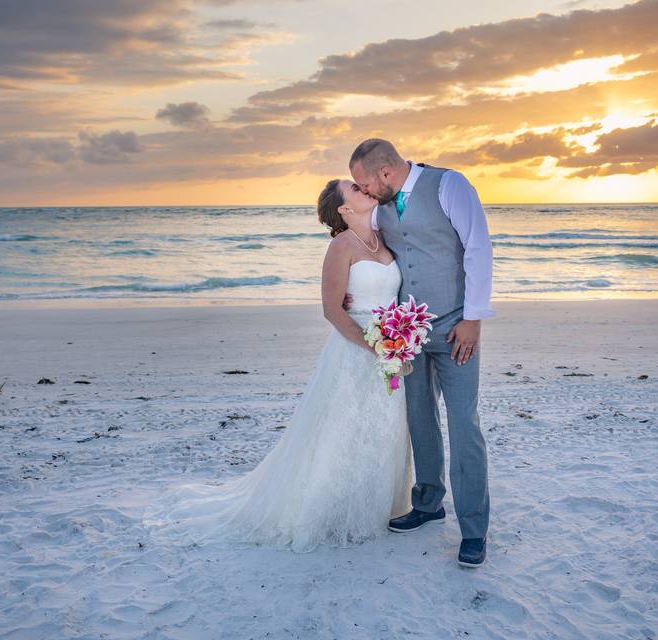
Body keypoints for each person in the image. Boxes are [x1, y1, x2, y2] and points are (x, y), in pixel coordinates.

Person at [143, 178, 413, 553]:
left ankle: (377, 504)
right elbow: (332, 310)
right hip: (356, 351)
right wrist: (375, 345)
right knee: (342, 429)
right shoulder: (341, 246)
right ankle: (329, 510)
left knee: (383, 428)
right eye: (353, 188)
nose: (363, 188)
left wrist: (400, 338)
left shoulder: (385, 237)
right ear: (343, 209)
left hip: (390, 349)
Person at [347, 138, 495, 568]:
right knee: (418, 417)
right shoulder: (380, 204)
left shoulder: (450, 186)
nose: (364, 191)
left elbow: (478, 249)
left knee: (464, 423)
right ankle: (429, 502)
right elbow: (367, 249)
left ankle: (474, 530)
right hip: (405, 334)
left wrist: (473, 318)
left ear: (386, 173)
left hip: (455, 330)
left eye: (365, 183)